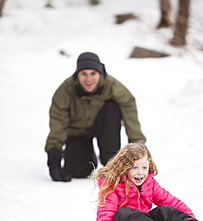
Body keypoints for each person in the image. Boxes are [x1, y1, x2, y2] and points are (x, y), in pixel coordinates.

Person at [96, 141, 203, 221]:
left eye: (144, 168)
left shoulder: (149, 184)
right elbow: (104, 216)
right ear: (124, 168)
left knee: (165, 210)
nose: (140, 172)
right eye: (134, 167)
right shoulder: (112, 186)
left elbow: (174, 203)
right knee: (124, 213)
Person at [45, 51, 146, 182]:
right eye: (84, 74)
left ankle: (110, 159)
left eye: (93, 73)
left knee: (112, 107)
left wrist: (137, 145)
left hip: (103, 126)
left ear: (100, 73)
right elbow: (57, 124)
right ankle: (88, 156)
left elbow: (128, 106)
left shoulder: (111, 85)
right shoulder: (65, 91)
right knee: (78, 171)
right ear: (77, 75)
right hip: (77, 132)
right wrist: (54, 159)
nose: (88, 79)